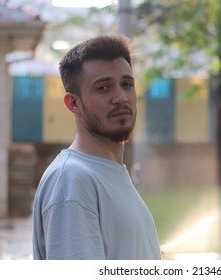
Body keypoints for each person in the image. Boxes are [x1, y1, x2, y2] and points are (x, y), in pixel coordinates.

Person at [32, 35, 162, 260]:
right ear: (73, 103)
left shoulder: (109, 172)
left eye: (127, 84)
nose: (120, 98)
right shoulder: (71, 180)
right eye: (103, 88)